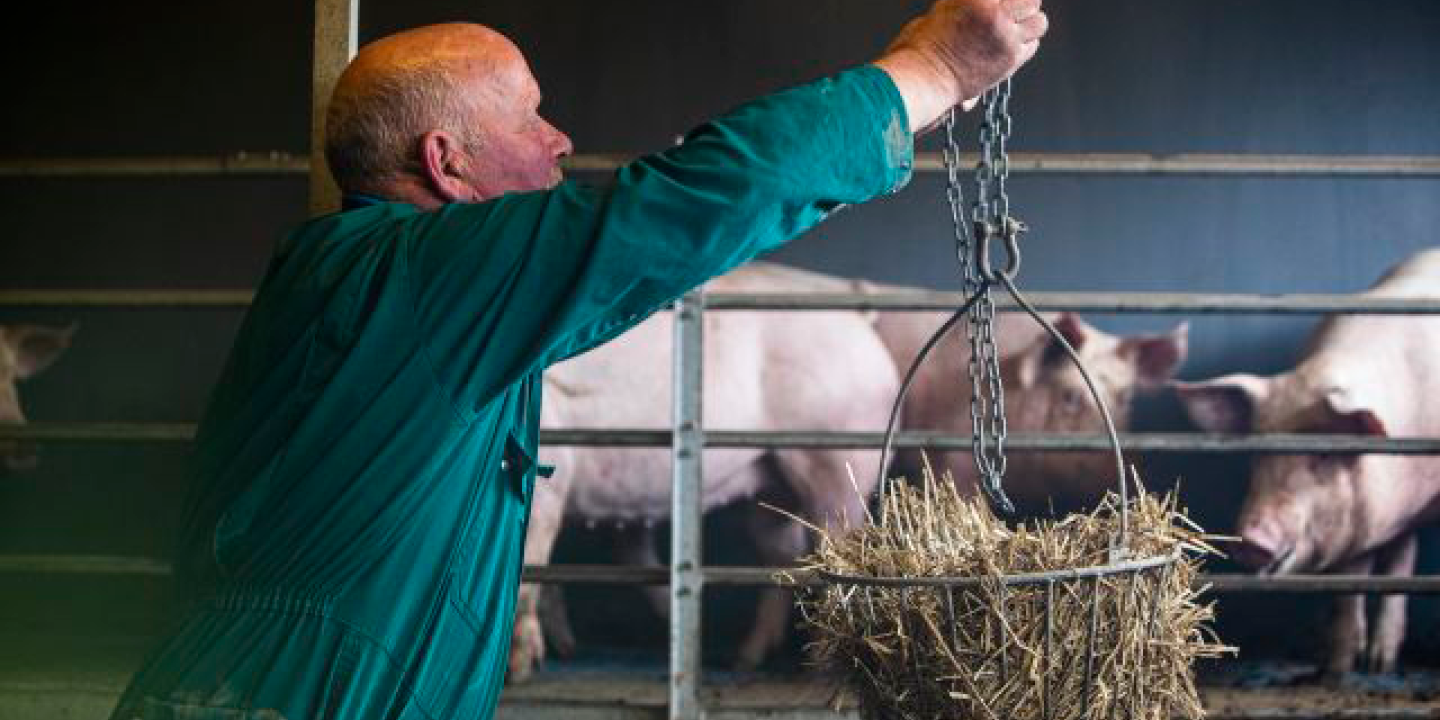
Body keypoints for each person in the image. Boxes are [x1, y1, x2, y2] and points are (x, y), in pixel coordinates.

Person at [109, 0, 1047, 717]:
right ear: (445, 162)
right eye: (530, 117)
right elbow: (701, 196)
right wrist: (932, 67)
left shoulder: (342, 278)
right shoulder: (429, 277)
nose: (559, 140)